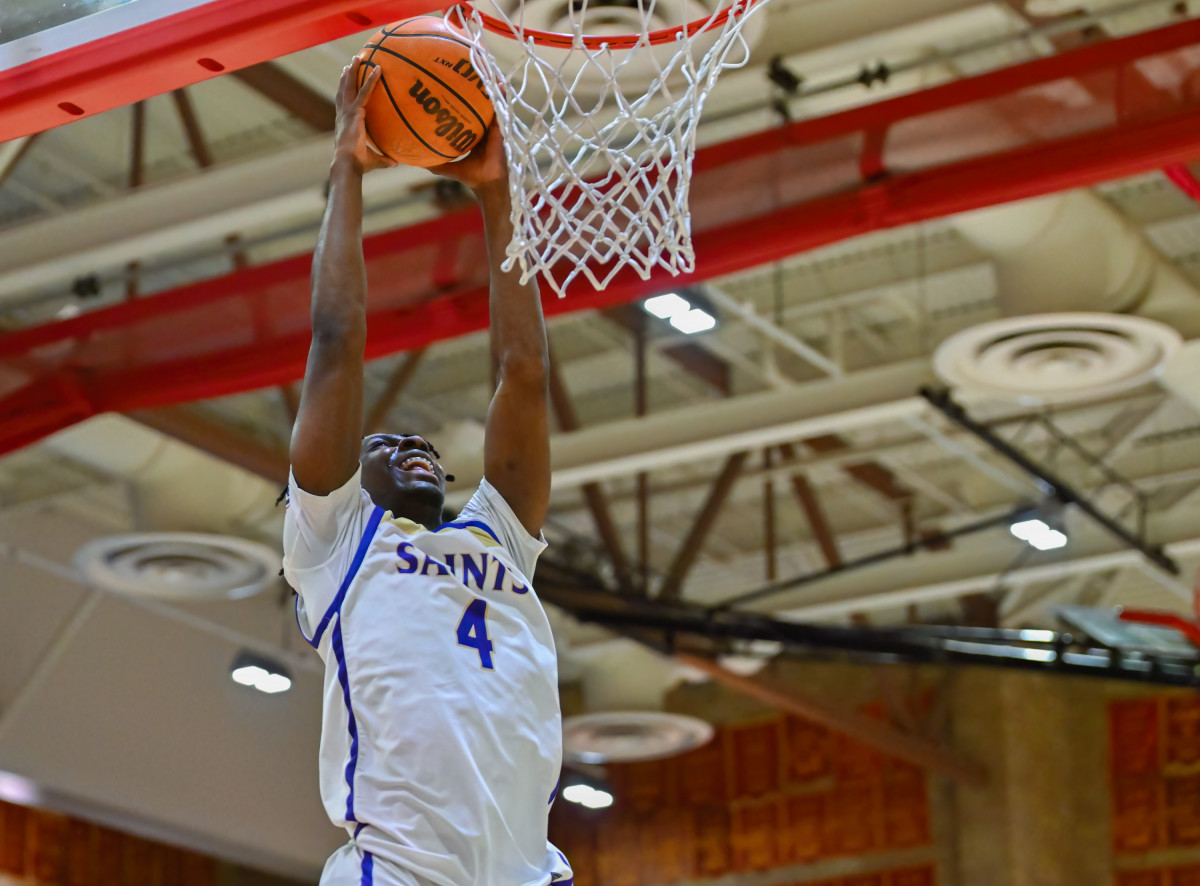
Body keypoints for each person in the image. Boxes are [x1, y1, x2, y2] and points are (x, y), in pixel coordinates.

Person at [282, 57, 571, 886]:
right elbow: (336, 342)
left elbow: (524, 373)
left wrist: (496, 192)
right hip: (403, 873)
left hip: (524, 872)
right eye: (387, 445)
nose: (416, 449)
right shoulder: (335, 545)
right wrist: (348, 164)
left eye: (429, 451)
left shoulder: (500, 538)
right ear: (349, 478)